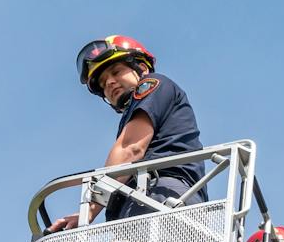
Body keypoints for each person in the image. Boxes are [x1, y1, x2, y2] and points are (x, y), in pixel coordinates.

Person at [48, 35, 205, 232]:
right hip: (152, 205)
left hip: (163, 196)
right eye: (104, 83)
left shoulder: (154, 84)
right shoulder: (137, 115)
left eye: (116, 71)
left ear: (142, 68)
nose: (110, 83)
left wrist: (88, 210)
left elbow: (130, 149)